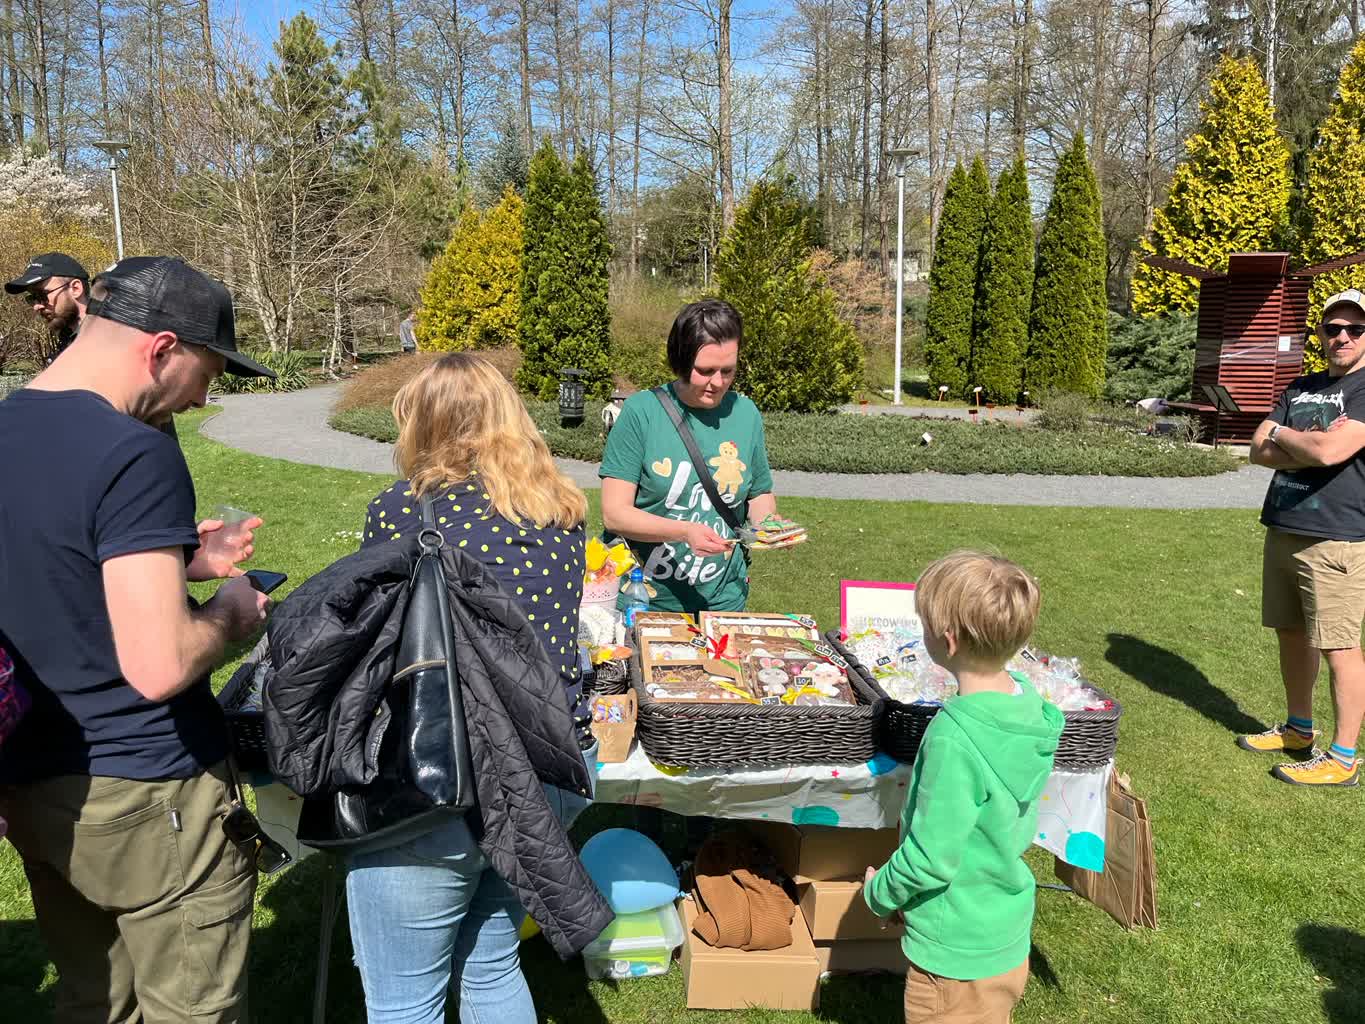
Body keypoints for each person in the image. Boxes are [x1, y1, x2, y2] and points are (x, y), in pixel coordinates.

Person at [0, 255, 275, 1023]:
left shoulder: (10, 425)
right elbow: (158, 666)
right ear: (161, 348)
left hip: (35, 785)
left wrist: (176, 556)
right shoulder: (135, 451)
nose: (201, 398)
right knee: (192, 1009)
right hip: (150, 791)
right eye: (206, 374)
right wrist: (232, 612)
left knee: (95, 1001)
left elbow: (46, 562)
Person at [345, 352, 599, 1024]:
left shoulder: (401, 512)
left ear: (423, 426)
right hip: (545, 771)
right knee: (491, 964)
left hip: (444, 775)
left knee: (404, 1001)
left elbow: (371, 645)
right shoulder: (562, 513)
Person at [863, 551, 1062, 1024]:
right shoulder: (1029, 706)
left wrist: (879, 894)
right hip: (1002, 928)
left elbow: (930, 858)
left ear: (947, 640)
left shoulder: (954, 738)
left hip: (954, 948)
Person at [1241, 288, 1365, 786]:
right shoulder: (1301, 385)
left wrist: (1286, 436)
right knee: (1290, 633)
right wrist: (1303, 442)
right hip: (1284, 525)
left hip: (1336, 535)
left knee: (1340, 646)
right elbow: (1257, 448)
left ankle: (1343, 758)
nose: (1342, 337)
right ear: (1320, 333)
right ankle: (1298, 730)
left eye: (1355, 329)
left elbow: (1331, 452)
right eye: (1333, 328)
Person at [599, 299, 778, 616]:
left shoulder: (746, 413)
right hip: (644, 600)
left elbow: (759, 492)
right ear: (681, 360)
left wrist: (769, 526)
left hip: (723, 600)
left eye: (728, 371)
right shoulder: (642, 413)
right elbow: (614, 514)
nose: (718, 382)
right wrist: (684, 531)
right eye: (705, 371)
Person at [5, 251, 91, 361]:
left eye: (42, 295)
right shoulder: (69, 340)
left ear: (75, 289)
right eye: (33, 298)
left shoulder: (105, 340)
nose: (37, 306)